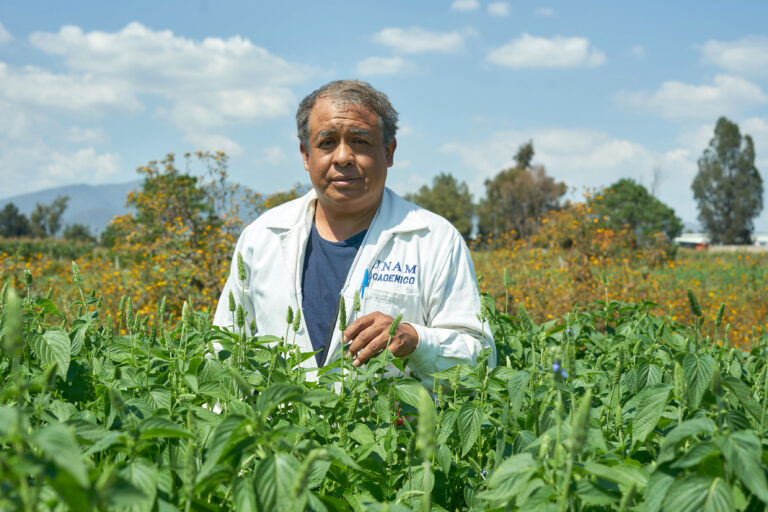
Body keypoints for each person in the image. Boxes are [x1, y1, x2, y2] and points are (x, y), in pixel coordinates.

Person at [214, 79, 495, 385]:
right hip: (280, 433)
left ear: (388, 152)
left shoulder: (434, 239)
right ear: (306, 156)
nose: (343, 157)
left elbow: (480, 359)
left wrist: (416, 340)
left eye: (360, 141)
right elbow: (224, 352)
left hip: (394, 432)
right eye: (327, 142)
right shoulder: (262, 237)